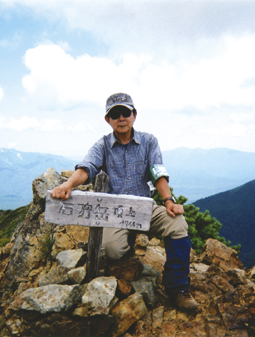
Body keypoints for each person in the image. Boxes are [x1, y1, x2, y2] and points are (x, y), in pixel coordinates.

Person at [50, 93, 198, 311]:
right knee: (112, 250)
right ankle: (126, 251)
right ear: (107, 119)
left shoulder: (149, 141)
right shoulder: (102, 145)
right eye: (115, 114)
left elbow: (158, 173)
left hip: (144, 208)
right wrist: (67, 185)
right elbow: (86, 168)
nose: (121, 118)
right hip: (114, 212)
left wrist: (168, 200)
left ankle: (178, 289)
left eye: (125, 112)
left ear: (134, 115)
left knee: (178, 225)